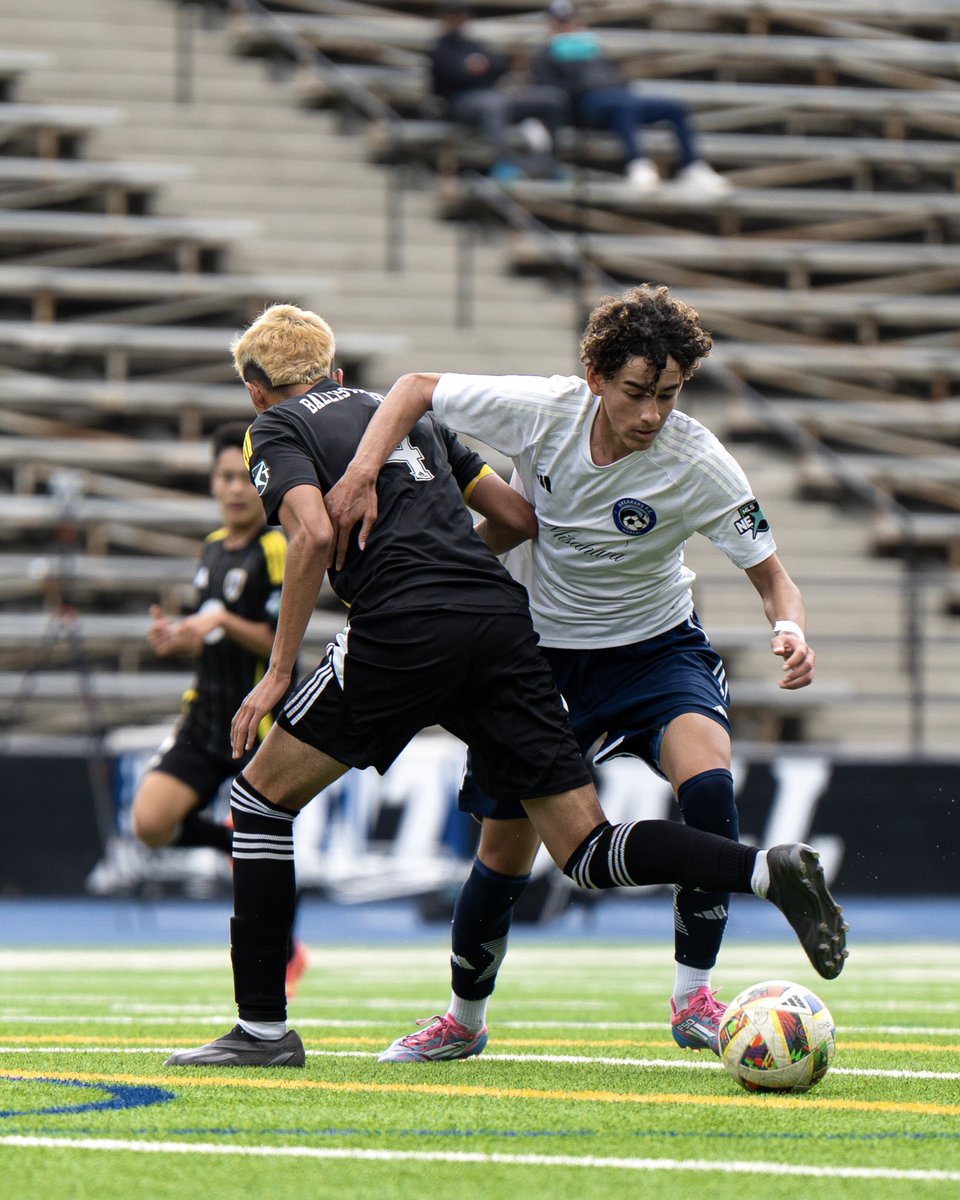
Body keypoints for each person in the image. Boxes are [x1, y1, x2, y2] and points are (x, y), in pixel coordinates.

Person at [165, 302, 845, 1069]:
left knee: (258, 799)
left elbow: (315, 534)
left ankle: (262, 1031)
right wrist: (446, 560)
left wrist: (280, 672)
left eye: (670, 395)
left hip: (509, 637)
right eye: (636, 392)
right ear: (339, 372)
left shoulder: (276, 429)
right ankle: (762, 869)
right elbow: (510, 506)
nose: (653, 414)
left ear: (255, 392)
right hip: (511, 629)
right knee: (573, 849)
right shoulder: (446, 420)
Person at [130, 421, 308, 998]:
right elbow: (211, 634)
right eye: (224, 477)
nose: (235, 489)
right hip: (205, 714)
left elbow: (282, 638)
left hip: (257, 722)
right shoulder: (211, 547)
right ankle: (225, 839)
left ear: (260, 482)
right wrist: (180, 636)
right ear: (212, 482)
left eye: (243, 477)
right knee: (150, 824)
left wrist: (221, 621)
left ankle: (286, 953)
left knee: (269, 842)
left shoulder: (276, 547)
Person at [531, 0, 730, 193]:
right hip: (588, 106)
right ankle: (637, 164)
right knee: (623, 106)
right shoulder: (546, 55)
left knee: (674, 107)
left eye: (569, 22)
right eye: (560, 23)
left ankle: (691, 166)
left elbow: (618, 78)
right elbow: (552, 94)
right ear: (551, 26)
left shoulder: (593, 51)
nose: (566, 27)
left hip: (619, 97)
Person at [429, 0, 566, 180]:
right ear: (444, 19)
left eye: (461, 15)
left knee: (552, 99)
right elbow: (447, 78)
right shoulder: (440, 48)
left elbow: (499, 66)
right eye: (453, 15)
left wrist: (481, 66)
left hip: (495, 96)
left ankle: (551, 165)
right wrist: (469, 68)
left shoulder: (474, 45)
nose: (458, 19)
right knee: (493, 103)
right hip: (460, 104)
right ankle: (504, 164)